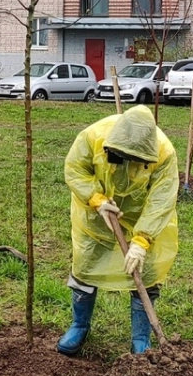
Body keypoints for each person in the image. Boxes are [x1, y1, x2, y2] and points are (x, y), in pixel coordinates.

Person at [59, 104, 179, 356]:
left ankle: (141, 339)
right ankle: (79, 325)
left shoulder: (164, 152)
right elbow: (75, 169)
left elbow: (161, 199)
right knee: (85, 265)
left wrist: (142, 240)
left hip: (140, 214)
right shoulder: (93, 137)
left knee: (146, 272)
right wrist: (96, 200)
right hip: (97, 214)